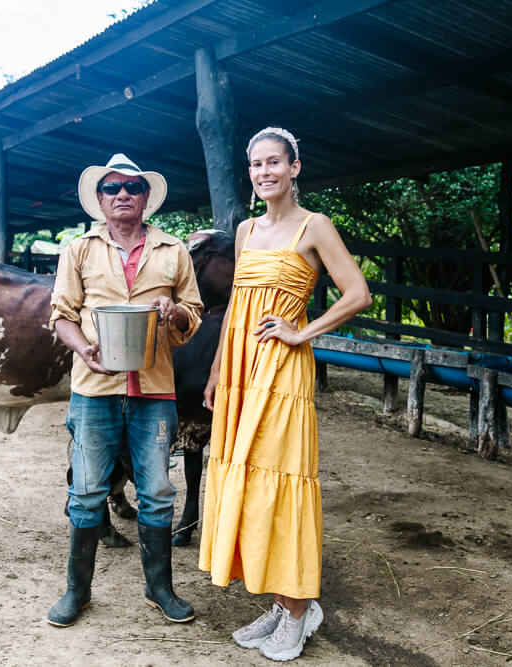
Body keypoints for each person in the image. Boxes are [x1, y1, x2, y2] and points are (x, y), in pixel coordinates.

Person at [199, 128, 372, 661]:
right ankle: (280, 601)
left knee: (281, 482)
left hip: (282, 373)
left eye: (274, 162)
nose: (264, 172)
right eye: (255, 164)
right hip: (239, 374)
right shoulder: (246, 230)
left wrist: (301, 332)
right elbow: (234, 313)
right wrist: (214, 373)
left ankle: (299, 610)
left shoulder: (314, 225)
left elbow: (359, 293)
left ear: (295, 167)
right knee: (249, 484)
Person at [48, 153, 203, 627]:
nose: (122, 195)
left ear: (145, 198)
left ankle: (159, 588)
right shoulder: (79, 250)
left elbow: (192, 315)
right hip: (94, 388)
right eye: (112, 188)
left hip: (153, 392)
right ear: (99, 199)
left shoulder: (173, 251)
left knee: (157, 490)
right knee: (88, 490)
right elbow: (61, 315)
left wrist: (173, 311)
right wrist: (84, 350)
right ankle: (78, 591)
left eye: (132, 188)